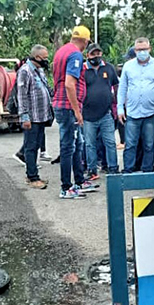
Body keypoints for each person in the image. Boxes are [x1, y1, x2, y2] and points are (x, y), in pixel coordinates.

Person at [52, 25, 98, 199]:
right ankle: (66, 187)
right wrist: (77, 110)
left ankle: (79, 181)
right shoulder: (75, 54)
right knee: (68, 147)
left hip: (62, 104)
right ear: (85, 41)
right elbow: (69, 84)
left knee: (77, 145)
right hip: (68, 106)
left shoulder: (61, 51)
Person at [118, 37, 154, 174]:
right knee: (130, 144)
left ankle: (148, 171)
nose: (142, 52)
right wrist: (120, 108)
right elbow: (122, 88)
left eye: (144, 49)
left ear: (149, 49)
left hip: (151, 111)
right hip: (132, 112)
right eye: (139, 50)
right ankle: (128, 171)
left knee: (149, 144)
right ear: (135, 51)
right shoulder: (128, 66)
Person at [17, 45, 54, 190]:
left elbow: (46, 89)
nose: (46, 60)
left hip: (41, 116)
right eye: (45, 58)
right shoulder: (25, 71)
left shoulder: (39, 70)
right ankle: (32, 177)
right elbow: (22, 95)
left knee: (37, 145)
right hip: (31, 117)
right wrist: (24, 116)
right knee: (30, 147)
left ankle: (33, 174)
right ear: (37, 57)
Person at [82, 43, 120, 179]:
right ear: (87, 55)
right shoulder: (83, 69)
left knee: (110, 142)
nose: (96, 56)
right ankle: (92, 170)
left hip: (106, 113)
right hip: (87, 115)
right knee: (90, 144)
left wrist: (116, 106)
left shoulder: (109, 68)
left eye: (98, 53)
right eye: (93, 54)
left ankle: (113, 168)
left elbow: (116, 86)